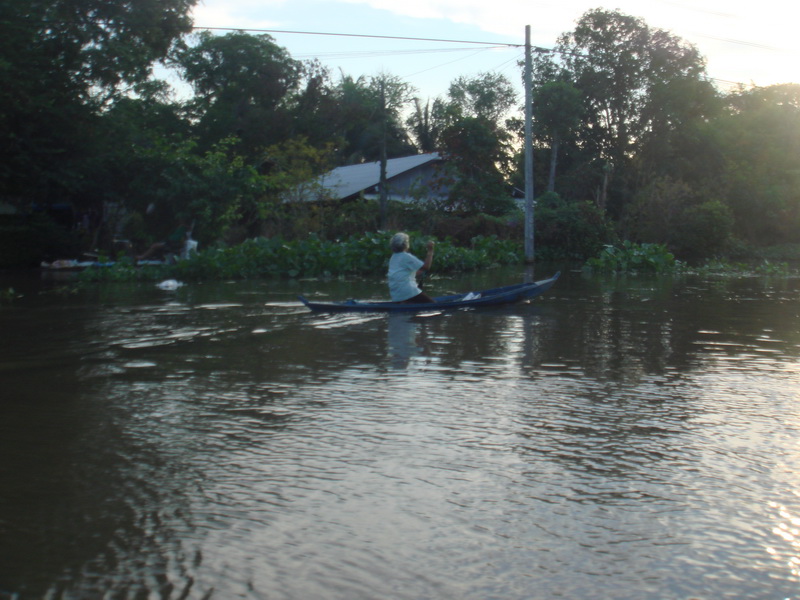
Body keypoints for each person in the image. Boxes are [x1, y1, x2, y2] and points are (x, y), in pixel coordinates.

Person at [387, 232, 435, 303]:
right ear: (405, 245)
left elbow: (401, 274)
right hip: (408, 292)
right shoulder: (406, 256)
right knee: (433, 305)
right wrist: (430, 251)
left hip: (396, 295)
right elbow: (426, 267)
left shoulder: (393, 257)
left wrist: (420, 273)